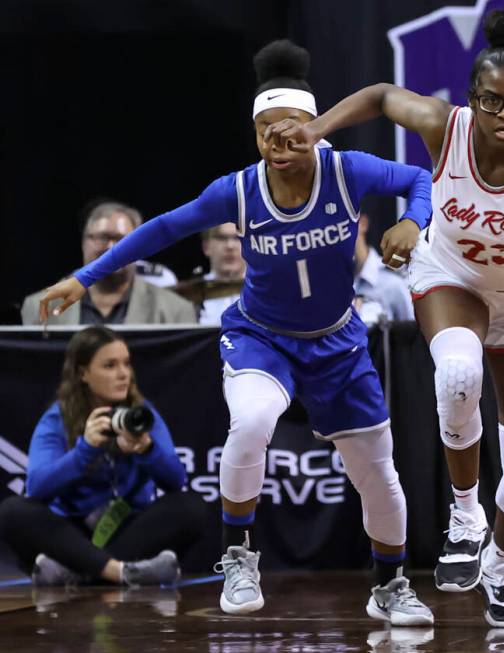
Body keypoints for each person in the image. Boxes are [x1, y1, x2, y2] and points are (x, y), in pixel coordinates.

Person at [268, 2, 504, 628]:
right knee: (455, 375)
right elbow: (382, 93)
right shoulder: (442, 126)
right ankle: (465, 514)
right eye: (494, 102)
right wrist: (316, 130)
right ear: (473, 97)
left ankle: (501, 567)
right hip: (454, 279)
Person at [35, 39, 435, 625]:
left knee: (380, 475)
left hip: (337, 339)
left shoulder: (347, 171)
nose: (278, 141)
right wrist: (84, 275)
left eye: (290, 128)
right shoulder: (239, 190)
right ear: (255, 136)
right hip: (261, 336)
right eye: (264, 131)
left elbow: (420, 177)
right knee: (251, 421)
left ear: (315, 127)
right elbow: (163, 230)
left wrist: (411, 221)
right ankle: (239, 555)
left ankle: (391, 585)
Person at [0, 326, 206, 587]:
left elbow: (176, 481)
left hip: (128, 528)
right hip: (72, 531)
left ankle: (79, 571)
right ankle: (121, 572)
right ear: (82, 373)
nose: (123, 375)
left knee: (191, 507)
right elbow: (37, 487)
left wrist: (147, 450)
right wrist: (84, 451)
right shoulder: (57, 418)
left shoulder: (141, 414)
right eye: (110, 366)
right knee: (13, 512)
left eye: (126, 364)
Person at [21, 201, 197, 325]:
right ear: (83, 243)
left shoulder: (176, 311)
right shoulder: (38, 307)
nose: (111, 248)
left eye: (122, 240)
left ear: (139, 246)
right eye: (102, 237)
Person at [353, 212, 415, 326]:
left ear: (362, 223)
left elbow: (412, 337)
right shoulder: (331, 286)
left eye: (344, 225)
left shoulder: (392, 282)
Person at [197, 223, 247, 325]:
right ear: (206, 247)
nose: (230, 246)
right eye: (221, 238)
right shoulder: (192, 295)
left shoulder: (263, 291)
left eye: (237, 238)